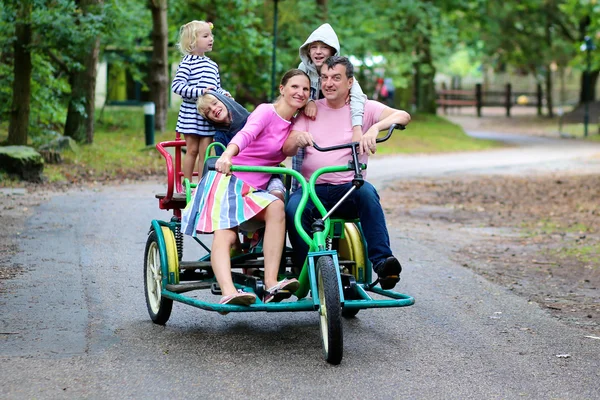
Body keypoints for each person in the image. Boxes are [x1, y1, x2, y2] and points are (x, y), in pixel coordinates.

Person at [181, 69, 311, 307]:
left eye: (305, 89)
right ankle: (228, 291)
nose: (300, 93)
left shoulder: (294, 122)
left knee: (276, 207)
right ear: (282, 89)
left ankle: (271, 282)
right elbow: (246, 134)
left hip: (255, 189)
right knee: (227, 233)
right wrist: (227, 155)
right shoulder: (265, 111)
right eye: (294, 87)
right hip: (230, 179)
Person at [283, 56, 411, 290]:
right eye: (324, 78)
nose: (329, 83)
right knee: (293, 209)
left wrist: (374, 128)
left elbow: (403, 116)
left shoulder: (362, 108)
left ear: (350, 82)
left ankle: (383, 263)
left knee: (368, 194)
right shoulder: (310, 111)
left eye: (336, 78)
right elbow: (287, 147)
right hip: (313, 189)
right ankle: (306, 271)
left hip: (349, 188)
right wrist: (296, 138)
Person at [293, 23, 367, 190]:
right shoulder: (303, 68)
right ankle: (300, 190)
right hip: (310, 120)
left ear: (333, 51)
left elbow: (357, 99)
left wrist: (357, 128)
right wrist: (308, 102)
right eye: (313, 47)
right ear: (307, 51)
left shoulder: (343, 72)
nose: (318, 51)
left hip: (335, 119)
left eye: (324, 47)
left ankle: (343, 187)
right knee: (302, 154)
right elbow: (294, 93)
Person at [172, 20, 231, 183]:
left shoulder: (212, 65)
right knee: (191, 150)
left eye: (211, 35)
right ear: (192, 41)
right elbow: (177, 86)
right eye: (205, 36)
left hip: (207, 116)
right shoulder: (187, 62)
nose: (211, 38)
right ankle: (186, 183)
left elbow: (216, 89)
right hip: (191, 114)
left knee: (205, 151)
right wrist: (200, 92)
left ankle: (202, 185)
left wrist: (225, 95)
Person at [197, 91, 250, 156]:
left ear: (224, 101)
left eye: (215, 103)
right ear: (209, 119)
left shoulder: (251, 119)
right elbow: (221, 162)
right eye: (208, 111)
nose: (213, 109)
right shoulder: (220, 136)